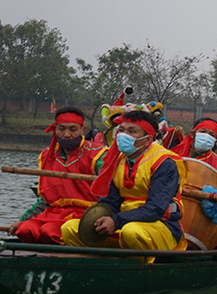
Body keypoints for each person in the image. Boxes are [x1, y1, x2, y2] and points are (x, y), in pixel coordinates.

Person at [60, 110, 188, 254]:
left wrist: (116, 221)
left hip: (160, 225)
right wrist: (99, 220)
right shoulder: (118, 159)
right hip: (122, 221)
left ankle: (139, 269)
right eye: (121, 130)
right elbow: (110, 201)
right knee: (69, 229)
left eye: (131, 131)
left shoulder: (164, 163)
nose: (123, 135)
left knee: (131, 232)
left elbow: (156, 209)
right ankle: (99, 263)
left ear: (147, 139)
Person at [10, 107, 107, 244]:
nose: (67, 134)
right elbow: (45, 198)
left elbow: (110, 195)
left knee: (49, 232)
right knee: (25, 230)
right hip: (54, 213)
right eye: (61, 129)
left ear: (82, 130)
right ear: (55, 129)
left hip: (86, 215)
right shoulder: (47, 156)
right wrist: (23, 219)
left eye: (73, 129)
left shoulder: (98, 156)